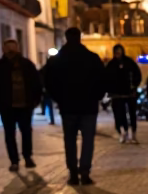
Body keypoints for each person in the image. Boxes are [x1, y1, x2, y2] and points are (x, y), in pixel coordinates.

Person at [43, 27, 106, 185]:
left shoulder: (57, 60)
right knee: (88, 140)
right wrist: (96, 97)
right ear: (80, 37)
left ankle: (73, 172)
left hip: (68, 106)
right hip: (88, 106)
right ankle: (84, 171)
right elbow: (102, 80)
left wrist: (59, 99)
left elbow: (48, 81)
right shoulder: (91, 58)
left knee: (69, 140)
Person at [0, 38, 42, 171]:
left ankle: (27, 157)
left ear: (17, 49)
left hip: (25, 106)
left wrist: (34, 100)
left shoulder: (27, 65)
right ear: (4, 49)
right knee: (10, 134)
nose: (10, 51)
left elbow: (37, 83)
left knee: (26, 132)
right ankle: (14, 160)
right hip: (7, 106)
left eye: (12, 48)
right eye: (8, 48)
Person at [105, 43, 142, 144]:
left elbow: (137, 74)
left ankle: (133, 133)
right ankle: (123, 132)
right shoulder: (111, 65)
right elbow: (106, 78)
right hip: (116, 94)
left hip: (129, 93)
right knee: (119, 114)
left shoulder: (129, 62)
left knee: (132, 113)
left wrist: (134, 86)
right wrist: (110, 89)